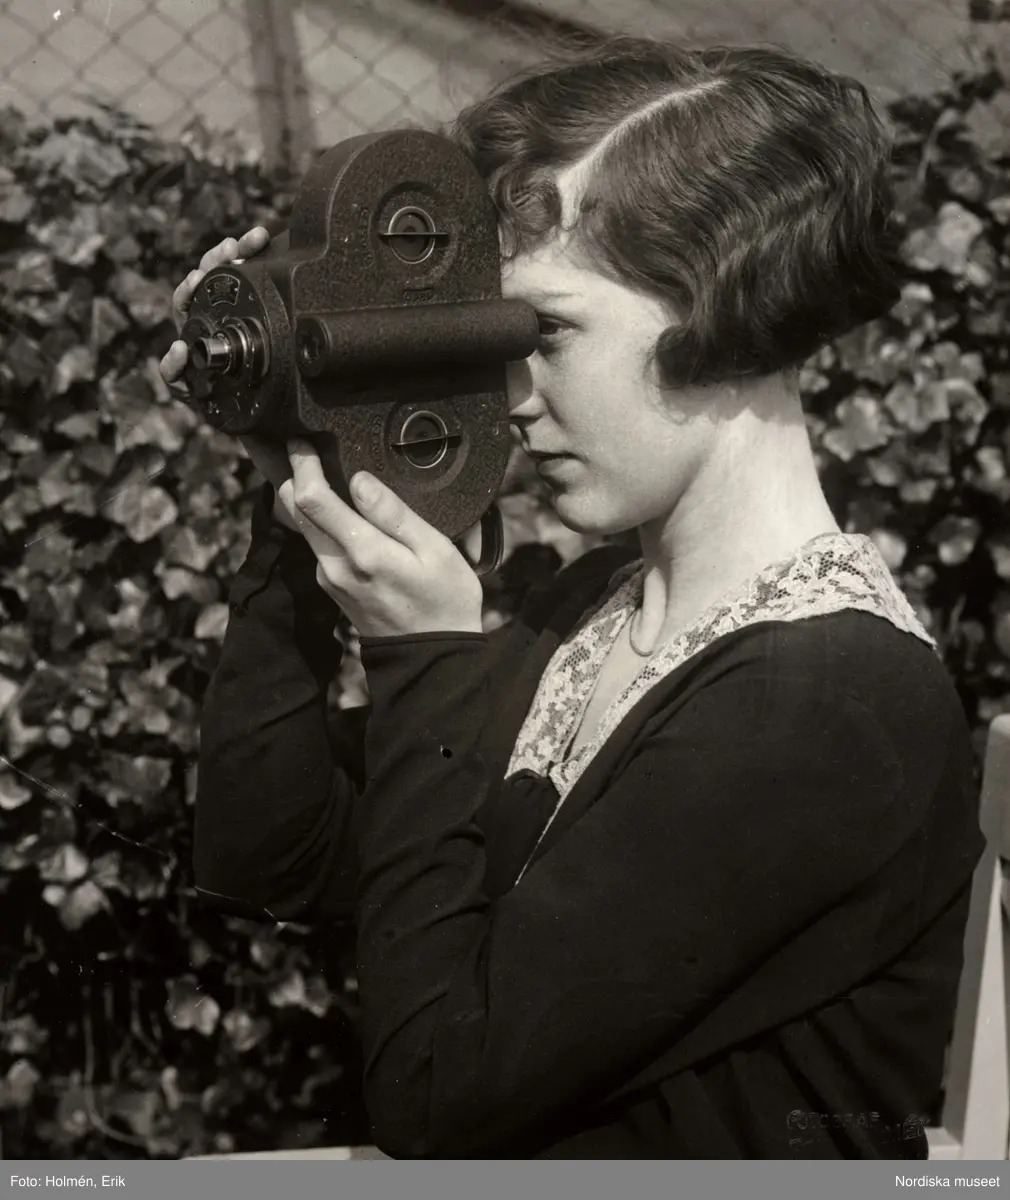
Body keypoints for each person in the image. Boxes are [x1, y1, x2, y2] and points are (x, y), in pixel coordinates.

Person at [160, 36, 984, 1160]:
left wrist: (424, 660)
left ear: (725, 307)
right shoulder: (604, 613)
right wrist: (298, 480)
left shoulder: (822, 701)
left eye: (544, 333)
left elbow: (435, 1097)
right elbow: (276, 855)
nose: (508, 392)